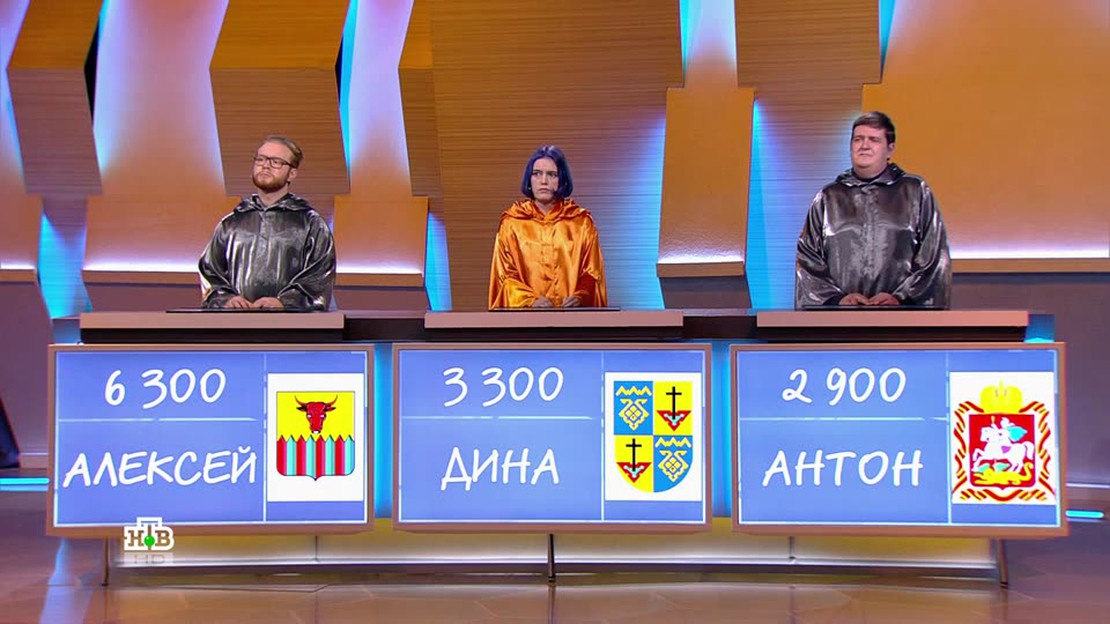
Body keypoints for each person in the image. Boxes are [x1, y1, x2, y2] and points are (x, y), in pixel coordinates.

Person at [795, 111, 951, 308]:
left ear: (890, 149)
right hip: (841, 318)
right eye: (858, 139)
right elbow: (808, 259)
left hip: (900, 316)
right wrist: (837, 300)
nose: (864, 145)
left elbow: (934, 255)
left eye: (874, 140)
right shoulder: (828, 197)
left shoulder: (915, 192)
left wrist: (901, 297)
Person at [199, 135, 336, 310]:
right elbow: (210, 272)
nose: (265, 165)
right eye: (261, 159)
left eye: (276, 162)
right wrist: (226, 299)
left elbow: (319, 276)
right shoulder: (231, 223)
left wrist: (284, 302)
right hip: (237, 321)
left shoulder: (311, 224)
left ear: (292, 173)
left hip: (292, 323)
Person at [488, 145, 608, 309]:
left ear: (562, 180)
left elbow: (592, 273)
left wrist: (580, 296)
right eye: (537, 174)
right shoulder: (512, 223)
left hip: (572, 318)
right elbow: (506, 276)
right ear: (529, 179)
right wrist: (529, 301)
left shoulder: (581, 223)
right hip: (526, 318)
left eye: (552, 174)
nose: (543, 181)